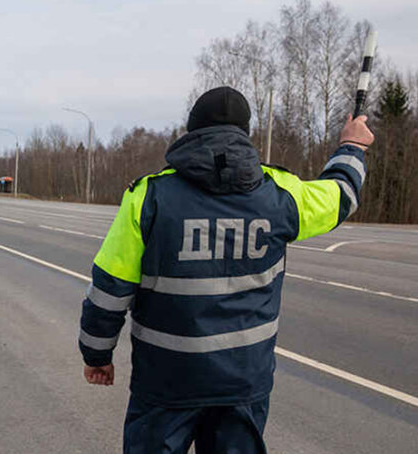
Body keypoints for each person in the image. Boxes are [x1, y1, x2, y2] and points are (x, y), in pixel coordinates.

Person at [78, 86, 373, 453]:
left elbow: (109, 290)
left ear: (190, 130)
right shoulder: (280, 195)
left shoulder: (149, 197)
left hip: (166, 384)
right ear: (245, 133)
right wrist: (352, 147)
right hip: (243, 384)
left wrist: (97, 356)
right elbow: (340, 195)